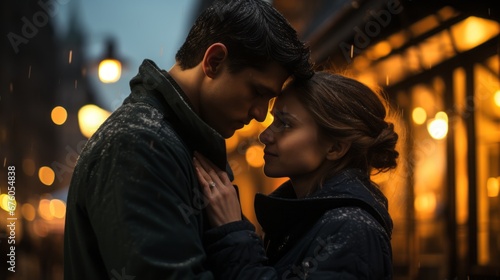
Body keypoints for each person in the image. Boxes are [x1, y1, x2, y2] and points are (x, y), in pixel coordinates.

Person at [63, 0, 312, 278]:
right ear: (214, 62)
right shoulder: (139, 145)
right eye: (257, 91)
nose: (260, 113)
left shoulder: (169, 140)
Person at [194, 70, 399, 279]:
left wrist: (234, 237)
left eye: (285, 124)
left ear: (335, 148)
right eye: (273, 121)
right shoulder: (313, 221)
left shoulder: (352, 230)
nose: (265, 136)